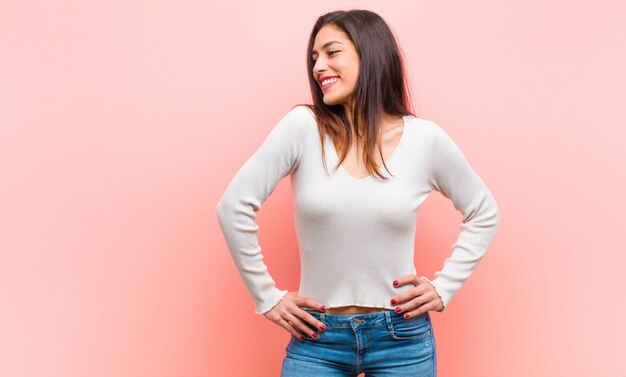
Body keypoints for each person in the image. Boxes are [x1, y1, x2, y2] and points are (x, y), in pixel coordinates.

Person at [216, 9, 500, 376]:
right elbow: (233, 205)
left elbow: (484, 212)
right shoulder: (303, 127)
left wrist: (443, 287)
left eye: (332, 52)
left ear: (371, 54)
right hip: (317, 338)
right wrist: (266, 297)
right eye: (314, 57)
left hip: (402, 339)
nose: (319, 66)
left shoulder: (424, 139)